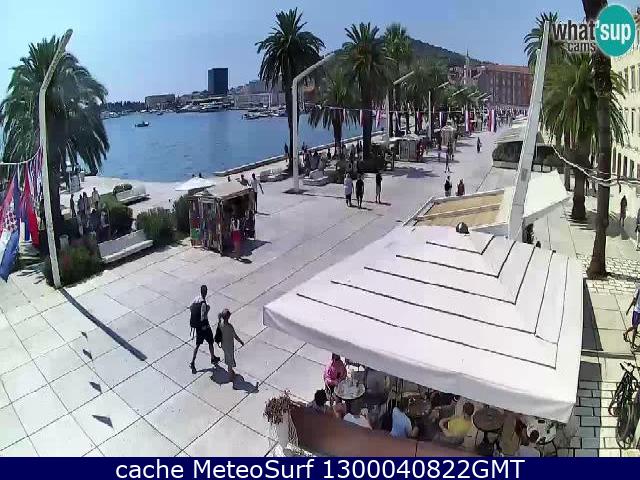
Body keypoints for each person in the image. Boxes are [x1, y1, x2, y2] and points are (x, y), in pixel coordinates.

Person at [189, 285, 220, 373]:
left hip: (198, 327)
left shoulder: (196, 299)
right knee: (210, 341)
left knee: (198, 345)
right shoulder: (203, 303)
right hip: (204, 327)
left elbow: (191, 308)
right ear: (206, 292)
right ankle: (213, 358)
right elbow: (203, 317)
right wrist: (207, 310)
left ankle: (193, 362)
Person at [219, 308, 244, 380]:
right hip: (229, 346)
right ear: (228, 317)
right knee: (230, 361)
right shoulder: (229, 327)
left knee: (228, 358)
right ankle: (231, 377)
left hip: (224, 345)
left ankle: (231, 372)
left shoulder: (220, 325)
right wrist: (240, 341)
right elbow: (235, 336)